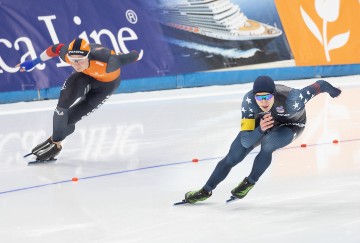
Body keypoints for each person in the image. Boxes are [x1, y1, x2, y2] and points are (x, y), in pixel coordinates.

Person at [183, 76, 341, 203]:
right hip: (263, 122)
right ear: (254, 96)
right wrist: (260, 129)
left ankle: (249, 183)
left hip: (291, 125)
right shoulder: (249, 102)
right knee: (234, 155)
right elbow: (246, 140)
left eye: (267, 97)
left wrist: (334, 92)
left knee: (268, 143)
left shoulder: (293, 99)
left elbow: (320, 85)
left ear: (274, 94)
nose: (263, 102)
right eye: (259, 98)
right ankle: (205, 190)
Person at [17, 38, 139, 161]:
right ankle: (55, 143)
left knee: (70, 120)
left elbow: (134, 56)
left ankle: (55, 141)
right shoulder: (68, 56)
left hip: (106, 86)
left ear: (88, 56)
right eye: (73, 60)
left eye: (80, 60)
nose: (76, 64)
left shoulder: (109, 62)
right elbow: (55, 48)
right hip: (85, 76)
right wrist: (33, 62)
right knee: (62, 105)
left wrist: (136, 53)